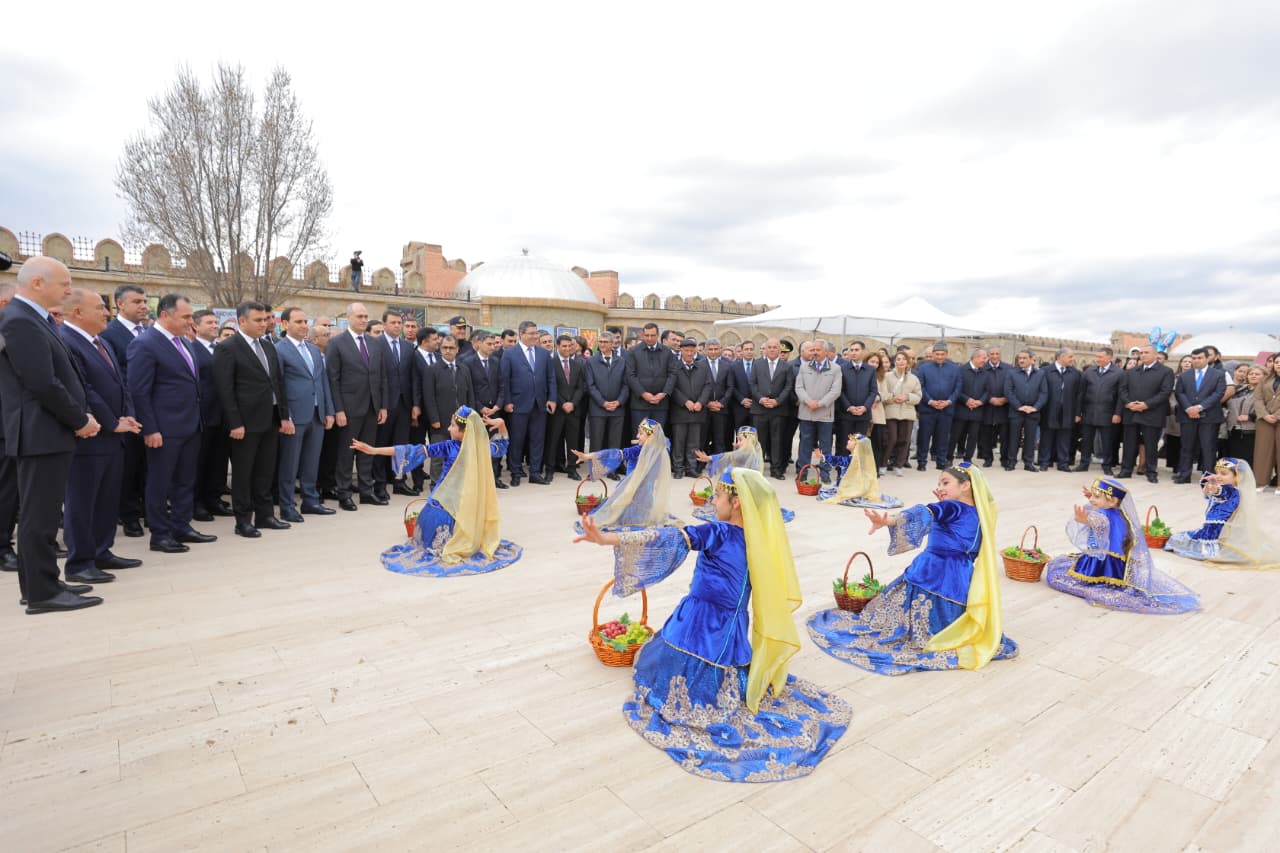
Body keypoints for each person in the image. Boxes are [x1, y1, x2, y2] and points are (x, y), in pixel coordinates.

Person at [573, 467, 851, 782]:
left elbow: (670, 537)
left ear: (737, 502)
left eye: (717, 496)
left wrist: (607, 539)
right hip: (731, 631)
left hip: (698, 627)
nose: (712, 501)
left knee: (657, 669)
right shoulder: (759, 540)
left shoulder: (719, 532)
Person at [806, 463, 1018, 675]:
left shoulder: (951, 507)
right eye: (938, 483)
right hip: (961, 576)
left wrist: (891, 520)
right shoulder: (981, 514)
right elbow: (946, 523)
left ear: (966, 485)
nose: (940, 487)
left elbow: (928, 511)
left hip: (935, 571)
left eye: (945, 482)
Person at [0, 257, 103, 612]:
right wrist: (78, 419)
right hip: (40, 431)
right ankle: (42, 594)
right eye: (64, 283)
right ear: (37, 283)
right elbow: (42, 382)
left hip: (48, 430)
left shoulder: (33, 318)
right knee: (39, 518)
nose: (69, 290)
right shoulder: (19, 320)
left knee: (41, 516)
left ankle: (42, 583)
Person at [354, 407, 521, 576]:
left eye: (453, 426)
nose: (448, 428)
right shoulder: (481, 448)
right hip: (468, 508)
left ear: (464, 431)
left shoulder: (451, 447)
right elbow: (501, 445)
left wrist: (374, 450)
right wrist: (501, 424)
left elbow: (413, 450)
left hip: (442, 505)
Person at [58, 288, 144, 584]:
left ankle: (101, 551)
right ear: (77, 312)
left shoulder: (100, 341)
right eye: (99, 307)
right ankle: (80, 563)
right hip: (90, 436)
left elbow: (121, 383)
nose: (106, 312)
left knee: (107, 498)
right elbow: (84, 389)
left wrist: (128, 414)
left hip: (114, 435)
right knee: (83, 501)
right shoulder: (66, 341)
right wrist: (111, 422)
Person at [129, 294, 218, 553]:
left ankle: (182, 526)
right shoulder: (145, 344)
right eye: (186, 316)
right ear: (165, 315)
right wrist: (150, 428)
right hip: (164, 429)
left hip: (191, 426)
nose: (191, 321)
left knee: (185, 480)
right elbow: (139, 391)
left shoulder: (184, 343)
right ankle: (160, 534)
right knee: (160, 482)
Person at [1044, 478, 1199, 613]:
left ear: (1112, 501)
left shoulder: (1103, 516)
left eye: (1096, 496)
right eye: (1092, 495)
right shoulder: (1117, 512)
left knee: (1057, 576)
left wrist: (1085, 521)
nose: (1091, 500)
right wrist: (1095, 500)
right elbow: (1100, 517)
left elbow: (1100, 525)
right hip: (1116, 561)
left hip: (1104, 564)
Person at [213, 300, 293, 538]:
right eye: (258, 320)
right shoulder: (228, 348)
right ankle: (243, 521)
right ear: (242, 321)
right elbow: (225, 389)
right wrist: (235, 422)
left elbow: (277, 383)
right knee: (243, 473)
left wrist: (284, 416)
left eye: (266, 319)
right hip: (245, 423)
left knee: (265, 471)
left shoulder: (268, 346)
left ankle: (265, 515)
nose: (263, 324)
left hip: (270, 419)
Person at [326, 302, 390, 510]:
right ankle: (344, 493)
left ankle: (366, 491)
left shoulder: (375, 343)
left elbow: (382, 376)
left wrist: (383, 406)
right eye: (359, 316)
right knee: (346, 453)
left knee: (367, 451)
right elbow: (333, 379)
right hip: (349, 408)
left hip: (372, 407)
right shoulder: (337, 343)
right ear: (349, 318)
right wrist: (338, 409)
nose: (363, 320)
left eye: (365, 316)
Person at [275, 308, 335, 521]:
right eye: (298, 321)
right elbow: (278, 386)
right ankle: (287, 505)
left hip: (317, 415)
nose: (303, 325)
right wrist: (285, 416)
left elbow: (322, 381)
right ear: (285, 324)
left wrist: (329, 411)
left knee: (312, 461)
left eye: (305, 321)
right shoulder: (279, 350)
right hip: (294, 417)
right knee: (290, 464)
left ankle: (310, 501)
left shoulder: (313, 350)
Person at [100, 283, 150, 538]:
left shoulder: (148, 332)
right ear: (120, 304)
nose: (144, 306)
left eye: (145, 301)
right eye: (137, 302)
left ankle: (147, 509)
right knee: (128, 466)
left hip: (151, 409)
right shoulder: (109, 334)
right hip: (126, 411)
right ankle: (129, 515)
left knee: (147, 464)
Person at [1165, 458, 1280, 569]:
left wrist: (1213, 488)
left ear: (1237, 477)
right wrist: (1211, 482)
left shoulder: (1232, 491)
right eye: (1217, 473)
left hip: (1218, 531)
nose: (1218, 476)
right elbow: (1211, 493)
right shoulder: (1226, 488)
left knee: (1177, 540)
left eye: (1223, 474)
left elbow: (1220, 492)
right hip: (1212, 528)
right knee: (1178, 538)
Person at [572, 419, 678, 531]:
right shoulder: (649, 449)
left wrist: (648, 442)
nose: (637, 436)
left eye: (641, 433)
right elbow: (615, 454)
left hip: (640, 495)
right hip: (632, 492)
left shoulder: (656, 450)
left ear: (651, 437)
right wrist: (588, 456)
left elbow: (664, 441)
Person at [692, 426, 795, 523]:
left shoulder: (748, 451)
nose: (737, 443)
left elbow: (730, 456)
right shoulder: (755, 449)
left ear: (749, 440)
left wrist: (710, 458)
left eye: (740, 440)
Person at [500, 320, 558, 486]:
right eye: (532, 333)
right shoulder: (510, 354)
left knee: (537, 440)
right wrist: (507, 401)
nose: (535, 336)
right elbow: (505, 380)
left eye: (536, 333)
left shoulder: (543, 354)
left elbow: (551, 378)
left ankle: (535, 473)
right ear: (522, 334)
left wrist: (552, 398)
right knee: (517, 441)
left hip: (540, 404)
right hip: (518, 404)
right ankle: (516, 472)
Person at [190, 309, 232, 520]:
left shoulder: (222, 349)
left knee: (219, 461)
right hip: (203, 416)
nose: (215, 325)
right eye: (209, 322)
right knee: (200, 462)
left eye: (216, 322)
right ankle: (197, 503)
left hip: (224, 415)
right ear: (196, 326)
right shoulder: (191, 349)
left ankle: (214, 499)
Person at [375, 310, 417, 499]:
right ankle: (379, 485)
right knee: (381, 444)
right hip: (384, 404)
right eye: (393, 322)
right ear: (384, 324)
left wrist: (415, 404)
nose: (397, 326)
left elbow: (413, 377)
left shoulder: (408, 347)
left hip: (404, 404)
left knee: (401, 446)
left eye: (399, 322)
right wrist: (380, 405)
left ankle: (399, 481)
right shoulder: (376, 344)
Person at [1120, 344, 1175, 483]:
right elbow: (1123, 390)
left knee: (1150, 445)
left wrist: (1146, 405)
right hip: (1131, 412)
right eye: (1142, 353)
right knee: (1129, 443)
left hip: (1152, 414)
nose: (1143, 355)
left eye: (1146, 352)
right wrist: (1129, 403)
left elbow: (1165, 392)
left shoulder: (1166, 371)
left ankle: (1151, 472)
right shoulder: (1132, 371)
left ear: (1155, 355)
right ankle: (1126, 470)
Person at [459, 330, 507, 489]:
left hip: (495, 411)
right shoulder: (467, 362)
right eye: (489, 344)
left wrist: (498, 405)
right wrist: (480, 407)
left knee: (495, 446)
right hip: (477, 412)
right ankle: (477, 480)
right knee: (477, 447)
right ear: (478, 343)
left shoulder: (496, 361)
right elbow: (468, 388)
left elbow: (502, 385)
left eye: (494, 344)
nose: (493, 347)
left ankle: (494, 477)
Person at [1173, 348, 1227, 484]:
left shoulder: (1218, 374)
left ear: (1207, 358)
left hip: (1209, 416)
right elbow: (1179, 393)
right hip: (1187, 416)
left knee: (1208, 447)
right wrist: (1189, 408)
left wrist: (1199, 407)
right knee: (1186, 446)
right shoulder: (1184, 375)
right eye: (1194, 358)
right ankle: (1184, 475)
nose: (1196, 360)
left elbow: (1218, 393)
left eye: (1199, 358)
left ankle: (1208, 477)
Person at [584, 330, 628, 477]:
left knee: (614, 442)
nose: (602, 344)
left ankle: (611, 470)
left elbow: (626, 385)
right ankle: (595, 470)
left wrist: (619, 401)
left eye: (605, 342)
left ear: (612, 344)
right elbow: (590, 386)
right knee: (596, 441)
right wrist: (603, 402)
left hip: (617, 409)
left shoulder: (622, 361)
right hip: (598, 408)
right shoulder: (591, 361)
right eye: (600, 342)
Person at [817, 433, 903, 509]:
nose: (848, 441)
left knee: (825, 491)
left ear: (858, 446)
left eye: (851, 440)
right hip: (860, 487)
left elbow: (838, 460)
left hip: (849, 487)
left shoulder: (852, 460)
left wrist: (824, 457)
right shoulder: (864, 460)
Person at [796, 343, 842, 483]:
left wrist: (820, 403)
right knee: (805, 444)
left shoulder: (835, 368)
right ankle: (802, 472)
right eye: (813, 350)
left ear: (826, 352)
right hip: (806, 412)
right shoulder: (804, 367)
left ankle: (825, 473)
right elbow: (799, 387)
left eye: (818, 350)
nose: (815, 352)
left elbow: (835, 391)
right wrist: (808, 401)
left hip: (825, 414)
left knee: (825, 446)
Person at [750, 339, 793, 480]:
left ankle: (776, 470)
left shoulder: (786, 366)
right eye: (770, 347)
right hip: (760, 408)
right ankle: (758, 469)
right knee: (759, 441)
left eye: (775, 347)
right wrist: (761, 399)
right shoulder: (757, 364)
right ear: (765, 349)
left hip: (778, 410)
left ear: (779, 350)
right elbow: (752, 384)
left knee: (777, 441)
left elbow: (788, 386)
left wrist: (777, 401)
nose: (772, 349)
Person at [1076, 347, 1123, 475]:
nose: (1097, 359)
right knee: (1086, 440)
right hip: (1089, 412)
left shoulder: (1119, 373)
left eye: (1100, 357)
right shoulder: (1089, 371)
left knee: (1107, 441)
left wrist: (1117, 413)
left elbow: (1121, 396)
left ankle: (1107, 466)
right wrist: (1078, 412)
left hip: (1108, 413)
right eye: (1097, 356)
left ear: (1110, 358)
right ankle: (1084, 464)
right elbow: (1081, 393)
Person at [546, 334, 587, 481]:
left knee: (573, 441)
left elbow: (581, 387)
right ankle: (550, 469)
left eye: (570, 346)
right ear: (557, 346)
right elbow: (551, 386)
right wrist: (563, 403)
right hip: (557, 409)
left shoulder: (578, 365)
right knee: (553, 440)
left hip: (573, 410)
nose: (567, 348)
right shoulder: (551, 363)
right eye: (564, 346)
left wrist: (573, 403)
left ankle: (572, 469)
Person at [669, 338, 711, 479]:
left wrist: (701, 402)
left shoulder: (702, 367)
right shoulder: (674, 367)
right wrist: (685, 401)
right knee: (679, 442)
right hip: (680, 411)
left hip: (697, 411)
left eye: (692, 351)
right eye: (686, 350)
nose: (689, 353)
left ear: (695, 351)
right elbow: (672, 387)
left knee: (694, 442)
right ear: (681, 351)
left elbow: (708, 386)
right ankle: (678, 468)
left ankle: (691, 468)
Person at [915, 342, 961, 471]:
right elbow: (920, 387)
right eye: (937, 354)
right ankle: (922, 462)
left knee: (943, 437)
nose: (940, 356)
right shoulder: (924, 368)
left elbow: (958, 387)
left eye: (942, 354)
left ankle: (941, 461)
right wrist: (930, 401)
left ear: (946, 354)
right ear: (933, 354)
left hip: (946, 409)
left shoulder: (955, 368)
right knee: (924, 437)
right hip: (928, 408)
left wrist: (949, 401)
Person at [1038, 348, 1083, 471]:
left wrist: (1078, 413)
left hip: (1068, 411)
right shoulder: (1045, 371)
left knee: (1065, 438)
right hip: (1048, 410)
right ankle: (1044, 462)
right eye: (1070, 357)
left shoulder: (1076, 373)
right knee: (1046, 437)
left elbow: (1079, 395)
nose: (1072, 359)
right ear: (1061, 357)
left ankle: (1063, 463)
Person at [624, 322, 677, 428]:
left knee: (657, 436)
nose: (649, 338)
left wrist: (664, 393)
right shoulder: (634, 351)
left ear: (657, 335)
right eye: (647, 335)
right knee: (641, 435)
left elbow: (672, 373)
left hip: (660, 404)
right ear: (643, 335)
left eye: (652, 335)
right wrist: (643, 394)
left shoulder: (667, 352)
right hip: (640, 404)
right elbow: (630, 375)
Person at [1004, 349, 1047, 471]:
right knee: (1014, 438)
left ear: (1031, 360)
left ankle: (1028, 463)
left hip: (1033, 412)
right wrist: (1019, 406)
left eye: (1024, 358)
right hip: (1016, 411)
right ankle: (1011, 462)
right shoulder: (1012, 373)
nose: (1021, 360)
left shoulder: (1040, 374)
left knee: (1030, 438)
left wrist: (1035, 407)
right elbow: (1008, 391)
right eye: (1019, 358)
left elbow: (1044, 393)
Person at [882, 351, 921, 475]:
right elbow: (882, 393)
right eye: (898, 359)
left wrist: (907, 397)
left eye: (904, 359)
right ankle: (883, 463)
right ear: (894, 362)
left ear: (908, 362)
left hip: (907, 412)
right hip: (891, 411)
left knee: (904, 440)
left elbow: (918, 396)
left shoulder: (914, 378)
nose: (901, 361)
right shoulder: (887, 376)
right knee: (891, 439)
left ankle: (899, 465)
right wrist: (893, 398)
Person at [951, 348, 989, 464]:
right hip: (961, 409)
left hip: (977, 410)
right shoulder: (961, 370)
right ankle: (948, 457)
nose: (985, 360)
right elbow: (956, 389)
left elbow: (987, 391)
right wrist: (966, 400)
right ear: (975, 358)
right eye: (983, 358)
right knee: (955, 435)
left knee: (973, 436)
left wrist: (980, 401)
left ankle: (968, 459)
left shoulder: (985, 373)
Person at [979, 346, 1012, 467]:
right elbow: (979, 387)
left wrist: (1005, 399)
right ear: (988, 355)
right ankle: (988, 458)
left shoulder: (1009, 369)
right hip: (987, 407)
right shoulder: (982, 368)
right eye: (992, 354)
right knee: (986, 435)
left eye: (997, 353)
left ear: (1000, 355)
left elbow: (1013, 386)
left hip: (1004, 408)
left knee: (1005, 436)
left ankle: (1004, 459)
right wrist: (990, 399)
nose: (994, 356)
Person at [702, 338, 735, 457]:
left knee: (719, 439)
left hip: (721, 409)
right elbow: (697, 387)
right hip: (704, 409)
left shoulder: (727, 366)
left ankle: (718, 464)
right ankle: (701, 463)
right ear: (706, 350)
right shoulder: (700, 365)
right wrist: (707, 403)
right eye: (710, 349)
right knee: (703, 438)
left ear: (720, 349)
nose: (713, 352)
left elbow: (730, 387)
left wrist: (721, 403)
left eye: (716, 349)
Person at [1226, 365, 1262, 466]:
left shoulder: (1265, 391)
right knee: (1234, 461)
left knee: (1247, 462)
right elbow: (1226, 403)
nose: (1253, 376)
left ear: (1264, 376)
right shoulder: (1238, 389)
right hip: (1233, 429)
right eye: (1251, 374)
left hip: (1251, 430)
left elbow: (1269, 409)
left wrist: (1250, 417)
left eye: (1257, 374)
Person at [1254, 360, 1280, 494]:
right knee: (1263, 452)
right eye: (1277, 362)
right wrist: (1264, 415)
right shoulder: (1265, 380)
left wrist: (1277, 415)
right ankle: (1261, 482)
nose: (1279, 364)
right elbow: (1258, 399)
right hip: (1264, 420)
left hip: (1277, 417)